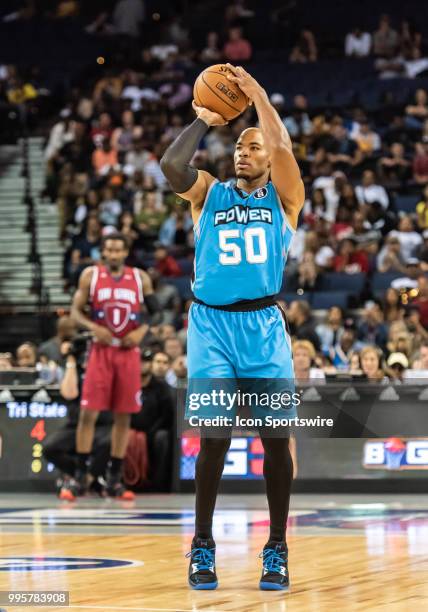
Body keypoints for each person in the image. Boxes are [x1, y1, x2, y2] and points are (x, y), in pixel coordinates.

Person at [161, 63, 304, 591]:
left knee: (275, 439)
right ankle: (201, 545)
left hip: (263, 326)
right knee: (215, 438)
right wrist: (202, 119)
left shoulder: (285, 199)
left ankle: (277, 548)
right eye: (239, 146)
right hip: (211, 327)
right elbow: (171, 166)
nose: (243, 151)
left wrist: (258, 96)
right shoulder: (209, 193)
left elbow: (284, 149)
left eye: (253, 145)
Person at [61, 233, 160, 500]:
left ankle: (114, 479)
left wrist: (142, 332)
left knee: (124, 415)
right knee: (88, 414)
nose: (114, 255)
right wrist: (94, 328)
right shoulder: (90, 276)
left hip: (128, 351)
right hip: (100, 350)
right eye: (109, 250)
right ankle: (81, 477)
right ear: (103, 252)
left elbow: (158, 311)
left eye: (118, 250)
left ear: (125, 252)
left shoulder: (140, 278)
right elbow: (75, 312)